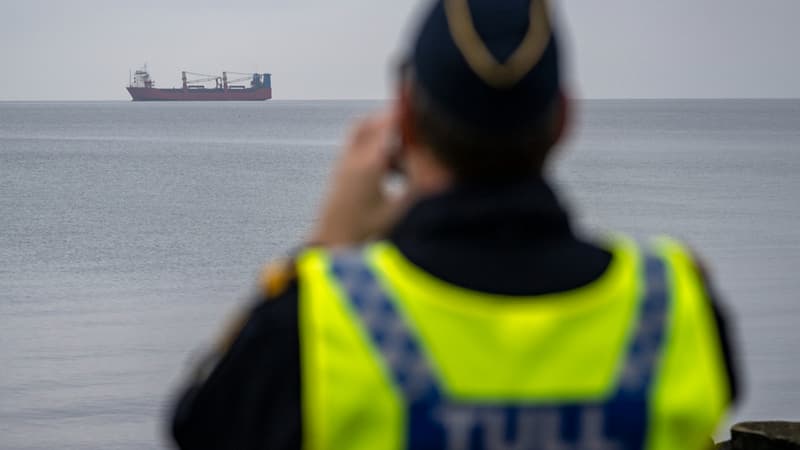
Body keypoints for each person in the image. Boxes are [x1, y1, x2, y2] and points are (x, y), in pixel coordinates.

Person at [170, 0, 738, 448]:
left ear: (407, 124)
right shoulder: (678, 308)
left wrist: (329, 247)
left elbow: (201, 428)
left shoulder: (312, 325)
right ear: (565, 118)